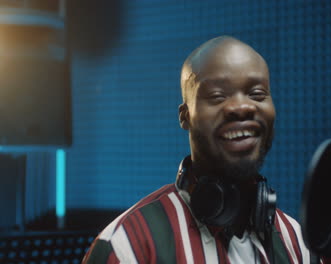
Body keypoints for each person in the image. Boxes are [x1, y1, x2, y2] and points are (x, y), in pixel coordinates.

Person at [82, 36, 310, 263]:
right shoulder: (128, 247)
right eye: (217, 96)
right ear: (185, 116)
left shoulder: (298, 242)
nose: (242, 107)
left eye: (257, 94)